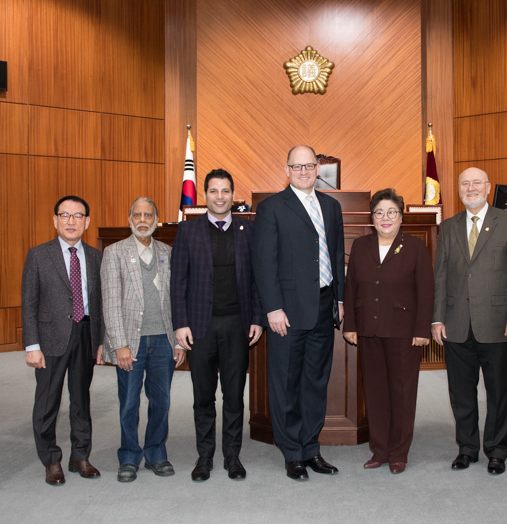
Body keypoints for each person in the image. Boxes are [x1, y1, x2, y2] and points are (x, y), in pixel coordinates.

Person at [251, 145, 345, 481]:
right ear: (287, 168)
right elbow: (263, 262)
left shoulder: (332, 207)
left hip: (323, 305)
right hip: (286, 312)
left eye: (309, 165)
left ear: (318, 168)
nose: (304, 171)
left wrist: (341, 299)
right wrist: (272, 307)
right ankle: (292, 452)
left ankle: (311, 447)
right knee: (286, 383)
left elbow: (335, 254)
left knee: (315, 382)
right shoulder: (272, 208)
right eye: (297, 165)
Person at [432, 167, 507, 475]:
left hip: (498, 323)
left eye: (476, 183)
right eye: (465, 183)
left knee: (498, 391)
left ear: (488, 187)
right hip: (456, 323)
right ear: (459, 189)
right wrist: (437, 319)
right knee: (461, 392)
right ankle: (467, 448)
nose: (470, 188)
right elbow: (441, 276)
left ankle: (497, 450)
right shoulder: (448, 227)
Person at [170, 168, 264, 482]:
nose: (220, 197)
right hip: (200, 326)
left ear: (232, 195)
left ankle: (233, 457)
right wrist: (180, 323)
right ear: (204, 195)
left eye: (225, 191)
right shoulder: (188, 231)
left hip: (238, 324)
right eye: (213, 191)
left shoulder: (248, 230)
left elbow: (256, 280)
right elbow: (178, 281)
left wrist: (257, 319)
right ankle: (205, 457)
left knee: (235, 396)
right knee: (203, 396)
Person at [342, 189, 434, 474]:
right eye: (379, 212)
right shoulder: (360, 245)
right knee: (375, 391)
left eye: (391, 212)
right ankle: (379, 450)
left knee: (402, 393)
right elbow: (351, 287)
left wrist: (422, 329)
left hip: (404, 331)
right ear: (372, 217)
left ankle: (398, 452)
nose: (385, 218)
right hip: (368, 330)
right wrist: (351, 326)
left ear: (401, 216)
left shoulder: (415, 247)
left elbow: (426, 291)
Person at [21, 195, 105, 485]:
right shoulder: (38, 255)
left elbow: (100, 303)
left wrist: (101, 340)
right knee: (47, 403)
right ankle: (51, 459)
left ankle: (80, 456)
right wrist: (32, 345)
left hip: (85, 335)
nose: (71, 221)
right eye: (65, 215)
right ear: (55, 220)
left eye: (78, 216)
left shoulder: (96, 256)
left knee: (82, 400)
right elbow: (29, 303)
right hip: (50, 339)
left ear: (87, 222)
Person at [101, 197, 184, 483]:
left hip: (163, 339)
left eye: (148, 215)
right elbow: (110, 303)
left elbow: (177, 300)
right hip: (130, 342)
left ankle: (156, 452)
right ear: (129, 219)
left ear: (157, 220)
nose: (142, 219)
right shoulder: (114, 253)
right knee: (129, 402)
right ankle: (128, 456)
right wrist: (119, 344)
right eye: (137, 214)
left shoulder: (168, 252)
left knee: (161, 400)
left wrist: (178, 341)